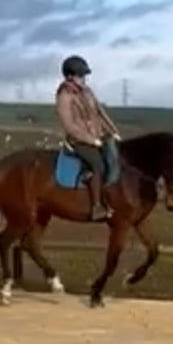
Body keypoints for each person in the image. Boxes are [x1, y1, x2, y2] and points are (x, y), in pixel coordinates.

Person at [55, 55, 121, 220]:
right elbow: (69, 126)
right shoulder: (64, 96)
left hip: (97, 135)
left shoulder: (87, 92)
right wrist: (92, 140)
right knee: (97, 164)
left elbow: (99, 113)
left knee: (115, 156)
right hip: (78, 140)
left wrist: (112, 131)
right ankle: (97, 206)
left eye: (84, 76)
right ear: (70, 76)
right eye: (80, 76)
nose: (84, 79)